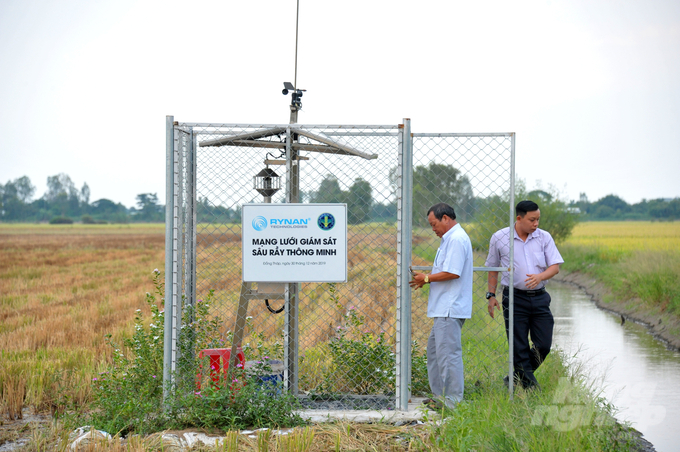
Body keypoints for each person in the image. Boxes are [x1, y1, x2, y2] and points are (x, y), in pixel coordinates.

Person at [485, 200, 564, 389]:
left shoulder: (544, 237)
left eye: (538, 219)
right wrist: (491, 295)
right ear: (519, 218)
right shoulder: (500, 238)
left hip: (540, 298)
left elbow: (555, 267)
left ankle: (514, 378)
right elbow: (493, 269)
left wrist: (540, 277)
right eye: (532, 220)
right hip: (513, 299)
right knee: (519, 347)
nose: (536, 224)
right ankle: (532, 389)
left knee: (543, 345)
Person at [410, 202, 473, 408]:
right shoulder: (449, 239)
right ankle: (439, 397)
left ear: (445, 218)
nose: (433, 229)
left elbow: (453, 272)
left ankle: (452, 402)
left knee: (448, 355)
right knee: (436, 353)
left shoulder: (456, 239)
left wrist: (426, 278)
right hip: (444, 308)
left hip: (449, 307)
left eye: (434, 224)